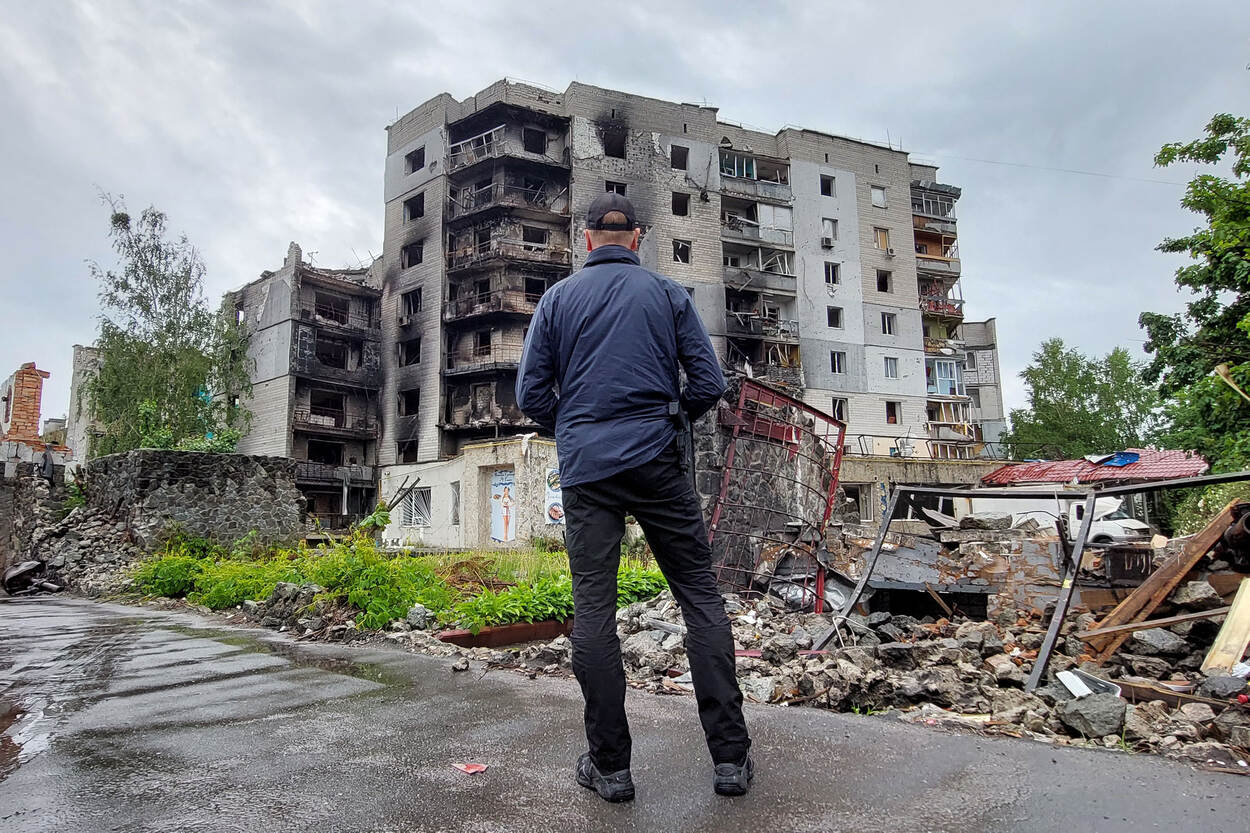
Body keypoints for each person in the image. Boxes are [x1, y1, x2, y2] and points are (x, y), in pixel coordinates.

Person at [517, 193, 752, 803]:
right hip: (658, 463)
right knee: (699, 598)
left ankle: (611, 768)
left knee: (593, 609)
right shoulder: (668, 295)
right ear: (638, 237)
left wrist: (575, 426)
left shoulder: (557, 301)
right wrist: (668, 424)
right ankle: (730, 762)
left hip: (589, 469)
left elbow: (531, 396)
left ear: (587, 238)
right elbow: (708, 383)